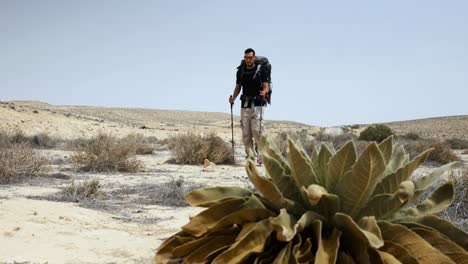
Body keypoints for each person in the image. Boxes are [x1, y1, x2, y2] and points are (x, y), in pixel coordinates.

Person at [229, 48, 269, 164]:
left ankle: (262, 155)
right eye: (246, 58)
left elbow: (266, 86)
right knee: (246, 133)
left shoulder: (262, 69)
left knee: (257, 130)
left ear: (254, 58)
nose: (248, 60)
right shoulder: (241, 70)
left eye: (250, 58)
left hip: (258, 103)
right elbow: (238, 87)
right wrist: (233, 98)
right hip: (245, 103)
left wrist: (264, 92)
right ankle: (250, 157)